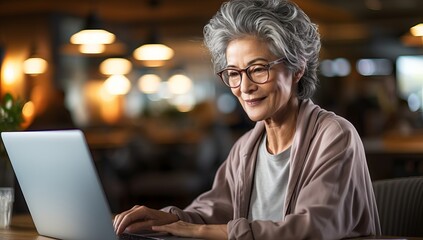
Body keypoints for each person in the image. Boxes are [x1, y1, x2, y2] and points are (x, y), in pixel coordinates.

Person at [114, 0, 381, 239]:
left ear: (297, 68)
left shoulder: (335, 135)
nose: (244, 86)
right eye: (234, 73)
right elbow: (214, 211)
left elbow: (312, 229)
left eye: (257, 69)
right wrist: (171, 218)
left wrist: (199, 230)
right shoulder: (245, 147)